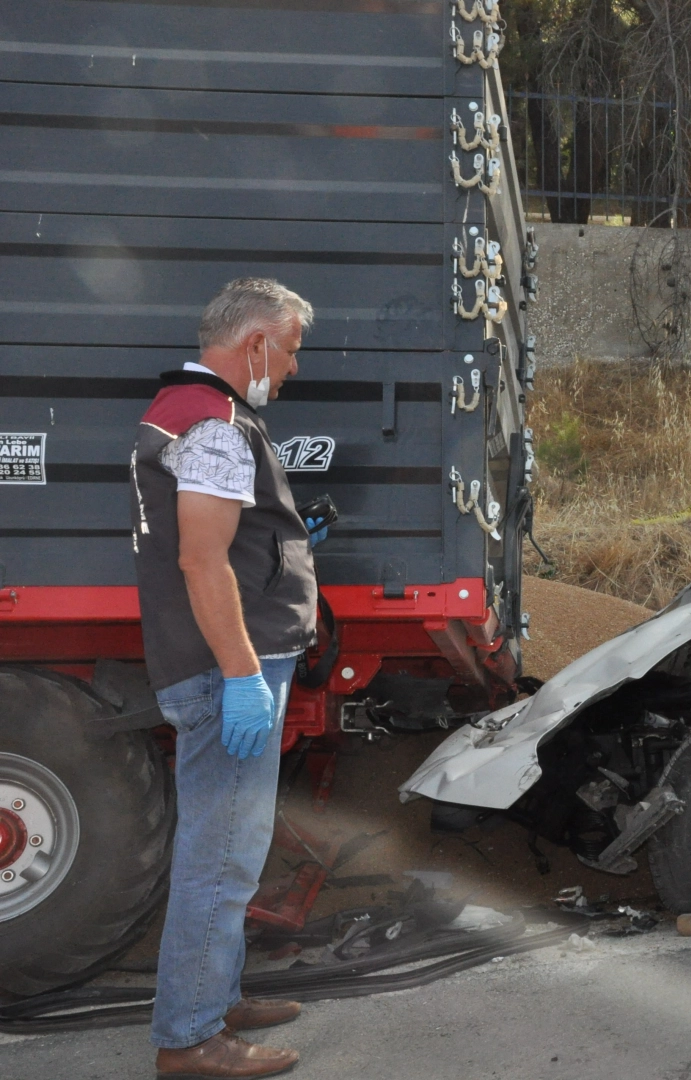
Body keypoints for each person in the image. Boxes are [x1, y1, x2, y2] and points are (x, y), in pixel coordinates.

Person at [131, 278, 327, 1078]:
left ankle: (214, 998)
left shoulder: (185, 410)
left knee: (224, 848)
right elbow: (201, 561)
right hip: (225, 674)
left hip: (215, 667)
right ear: (254, 343)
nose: (288, 373)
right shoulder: (212, 423)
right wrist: (245, 675)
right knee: (222, 854)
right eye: (288, 354)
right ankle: (191, 1040)